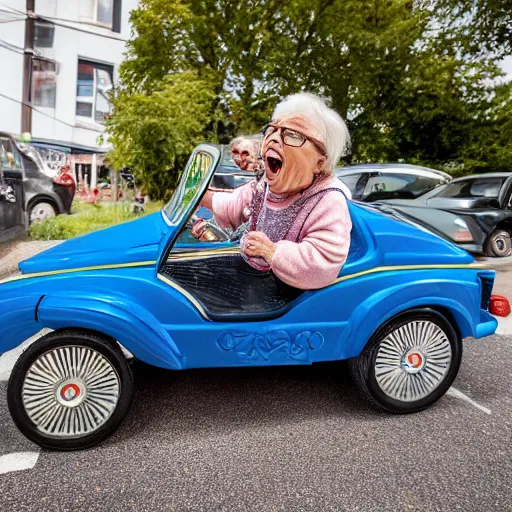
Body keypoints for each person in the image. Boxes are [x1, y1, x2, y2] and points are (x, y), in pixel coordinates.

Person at [200, 93, 352, 290]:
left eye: (292, 135)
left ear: (320, 162)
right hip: (258, 281)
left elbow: (323, 262)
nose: (274, 138)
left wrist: (271, 252)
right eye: (272, 129)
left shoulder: (327, 199)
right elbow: (236, 203)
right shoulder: (266, 185)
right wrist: (199, 197)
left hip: (289, 297)